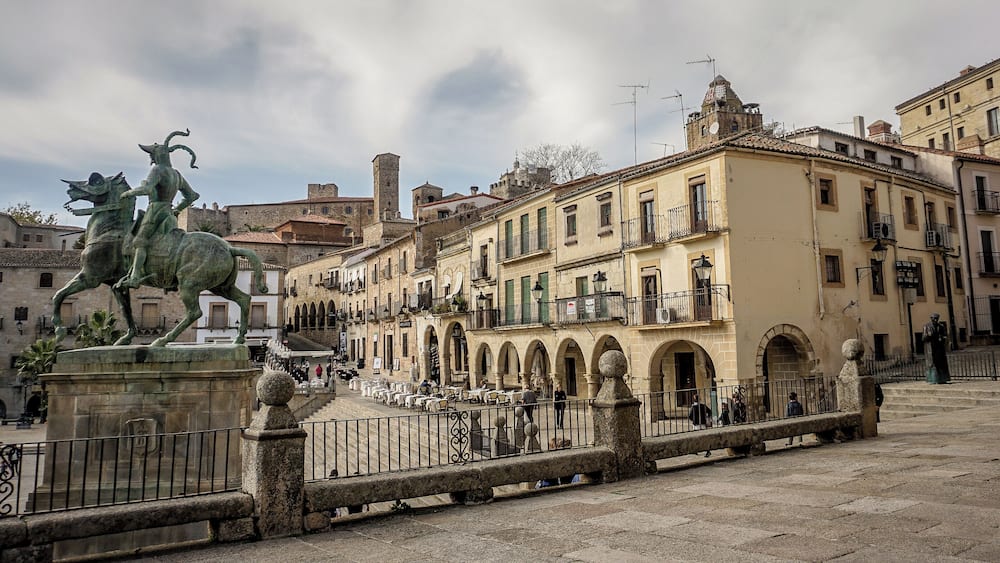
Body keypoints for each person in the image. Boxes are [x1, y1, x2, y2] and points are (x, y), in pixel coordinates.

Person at [116, 129, 200, 289]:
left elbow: (147, 189)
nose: (151, 158)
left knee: (140, 241)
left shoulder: (157, 170)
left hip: (155, 211)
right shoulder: (177, 175)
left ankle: (135, 277)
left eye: (151, 155)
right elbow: (192, 196)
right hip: (169, 213)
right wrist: (176, 210)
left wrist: (129, 193)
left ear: (157, 155)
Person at [922, 313, 951, 384]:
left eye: (936, 318)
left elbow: (945, 335)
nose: (935, 320)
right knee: (932, 364)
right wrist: (928, 335)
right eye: (934, 318)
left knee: (941, 364)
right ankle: (932, 379)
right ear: (931, 318)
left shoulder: (941, 326)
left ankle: (942, 379)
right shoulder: (926, 326)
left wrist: (942, 338)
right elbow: (923, 338)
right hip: (930, 349)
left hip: (939, 348)